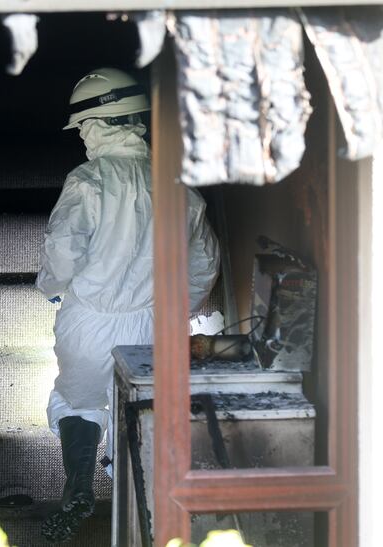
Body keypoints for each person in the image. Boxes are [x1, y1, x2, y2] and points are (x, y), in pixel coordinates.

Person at [37, 67, 220, 542]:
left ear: (98, 124)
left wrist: (52, 286)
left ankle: (78, 484)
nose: (81, 137)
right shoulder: (178, 186)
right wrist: (182, 307)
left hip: (89, 324)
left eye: (82, 128)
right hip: (152, 326)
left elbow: (62, 251)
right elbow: (204, 260)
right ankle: (139, 514)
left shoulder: (87, 181)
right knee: (139, 413)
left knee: (79, 400)